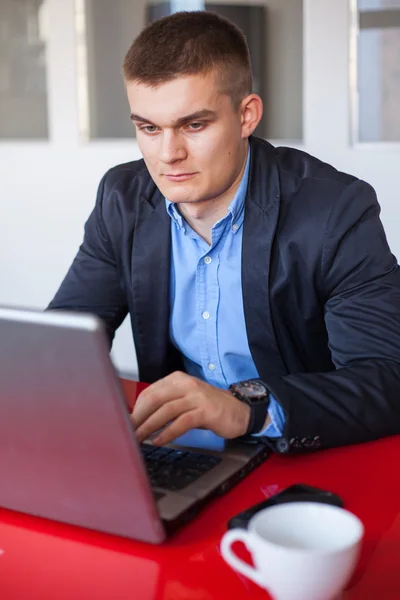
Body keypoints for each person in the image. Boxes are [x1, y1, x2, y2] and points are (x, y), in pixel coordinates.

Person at [49, 11, 400, 454]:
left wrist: (246, 407)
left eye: (194, 125)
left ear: (247, 115)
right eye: (149, 128)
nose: (168, 154)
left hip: (301, 456)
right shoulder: (122, 199)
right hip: (180, 452)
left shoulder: (334, 211)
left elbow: (387, 378)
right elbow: (60, 348)